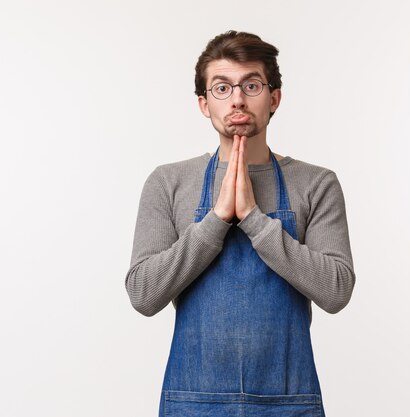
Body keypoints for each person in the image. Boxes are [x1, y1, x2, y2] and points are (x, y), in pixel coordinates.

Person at [125, 30, 356, 417]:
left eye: (251, 84)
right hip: (192, 404)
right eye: (221, 87)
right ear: (203, 103)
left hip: (288, 404)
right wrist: (216, 220)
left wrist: (253, 219)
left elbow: (336, 291)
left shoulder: (317, 183)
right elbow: (144, 295)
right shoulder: (168, 182)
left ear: (274, 98)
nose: (237, 99)